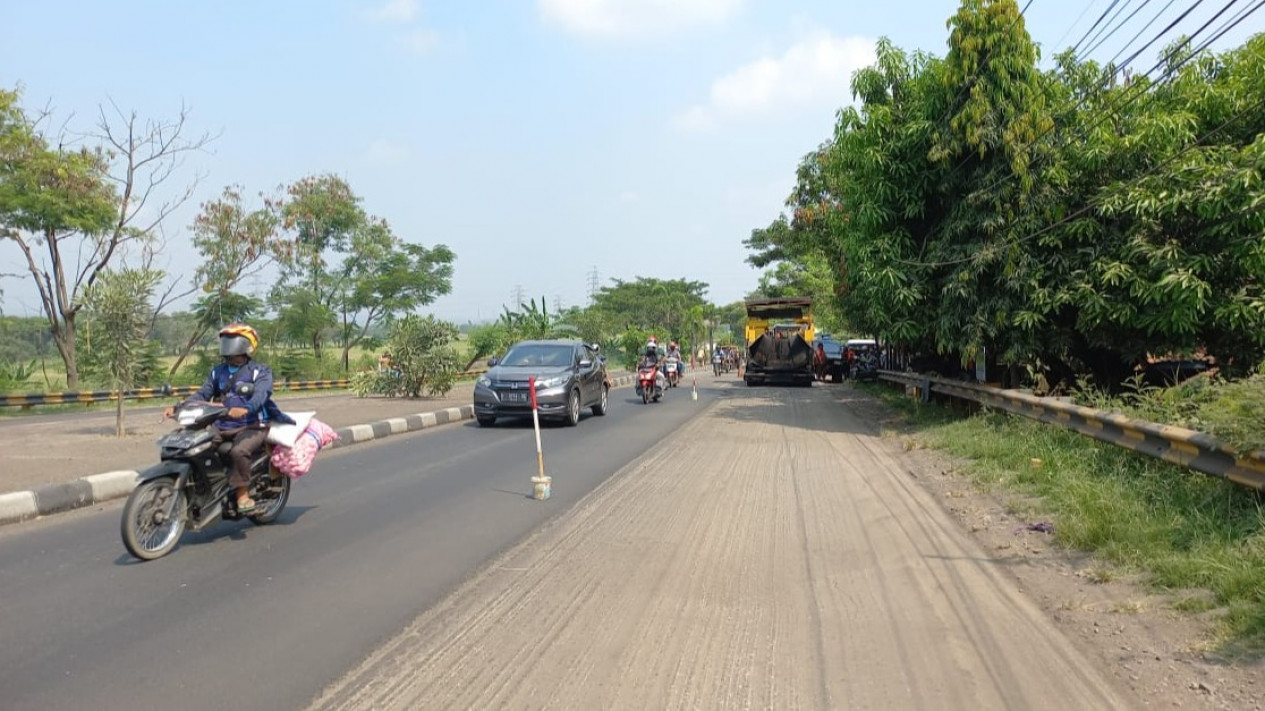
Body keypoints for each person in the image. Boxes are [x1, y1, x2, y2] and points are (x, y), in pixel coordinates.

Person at [164, 323, 292, 514]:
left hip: (253, 425)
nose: (229, 346)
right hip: (221, 424)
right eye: (226, 341)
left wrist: (246, 408)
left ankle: (242, 494)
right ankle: (208, 486)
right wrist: (178, 407)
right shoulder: (218, 372)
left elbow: (261, 395)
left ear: (247, 345)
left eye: (233, 341)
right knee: (196, 446)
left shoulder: (260, 371)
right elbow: (203, 394)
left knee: (239, 451)